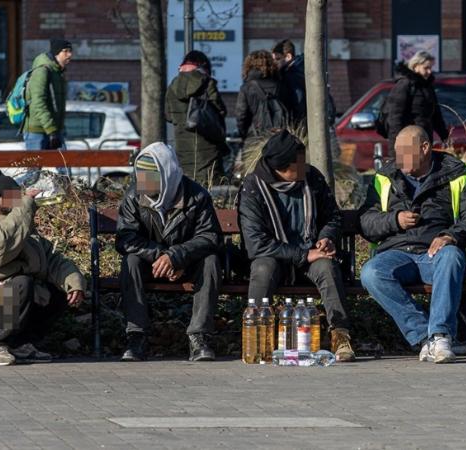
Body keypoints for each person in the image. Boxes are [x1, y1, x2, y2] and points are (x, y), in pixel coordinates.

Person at [359, 125, 466, 364]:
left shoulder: (457, 173)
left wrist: (451, 236)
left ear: (425, 148)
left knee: (451, 257)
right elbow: (366, 221)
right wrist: (394, 220)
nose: (399, 159)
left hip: (437, 253)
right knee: (371, 273)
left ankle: (440, 336)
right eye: (397, 152)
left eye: (405, 152)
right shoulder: (385, 177)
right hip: (397, 252)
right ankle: (423, 337)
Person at [237, 130, 356, 362]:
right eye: (298, 163)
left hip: (311, 253)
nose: (305, 167)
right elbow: (256, 245)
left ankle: (340, 334)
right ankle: (259, 339)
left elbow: (333, 216)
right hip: (275, 258)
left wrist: (327, 237)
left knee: (327, 268)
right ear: (281, 168)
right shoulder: (253, 188)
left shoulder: (313, 178)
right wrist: (304, 254)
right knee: (262, 268)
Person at [0, 168, 85, 366]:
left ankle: (21, 344)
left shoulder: (24, 229)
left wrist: (74, 282)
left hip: (9, 300)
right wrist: (24, 207)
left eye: (17, 193)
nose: (17, 198)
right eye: (10, 195)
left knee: (53, 293)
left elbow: (52, 260)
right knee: (20, 285)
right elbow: (0, 248)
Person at [116, 142, 223, 362]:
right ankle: (137, 336)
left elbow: (210, 237)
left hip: (189, 262)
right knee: (131, 261)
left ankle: (199, 337)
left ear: (166, 174)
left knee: (211, 261)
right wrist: (163, 257)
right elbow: (126, 239)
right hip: (151, 262)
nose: (143, 183)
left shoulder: (197, 196)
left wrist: (176, 257)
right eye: (140, 175)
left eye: (150, 177)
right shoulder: (133, 197)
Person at [165, 50, 228, 187]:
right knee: (211, 189)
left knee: (189, 189)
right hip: (208, 149)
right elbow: (220, 110)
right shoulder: (206, 83)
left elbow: (168, 115)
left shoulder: (172, 87)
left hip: (183, 148)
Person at [384, 51, 449, 157]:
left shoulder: (427, 86)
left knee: (423, 171)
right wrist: (395, 152)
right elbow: (395, 119)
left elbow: (436, 114)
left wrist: (445, 136)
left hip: (424, 140)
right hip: (408, 141)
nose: (429, 71)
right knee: (408, 171)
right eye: (426, 68)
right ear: (415, 66)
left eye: (431, 68)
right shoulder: (405, 85)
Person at [24, 39, 72, 151]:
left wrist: (56, 129)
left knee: (64, 166)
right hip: (37, 131)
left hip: (54, 130)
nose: (69, 55)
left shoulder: (58, 72)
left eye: (70, 51)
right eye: (65, 51)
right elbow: (38, 102)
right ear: (56, 53)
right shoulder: (42, 71)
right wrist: (51, 130)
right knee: (34, 168)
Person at [236, 50, 289, 144]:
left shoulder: (246, 87)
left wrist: (244, 135)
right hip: (279, 138)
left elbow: (241, 115)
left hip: (254, 138)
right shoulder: (280, 85)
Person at [272, 39, 306, 121]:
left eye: (277, 59)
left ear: (288, 57)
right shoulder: (296, 69)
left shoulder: (292, 74)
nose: (274, 63)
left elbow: (299, 101)